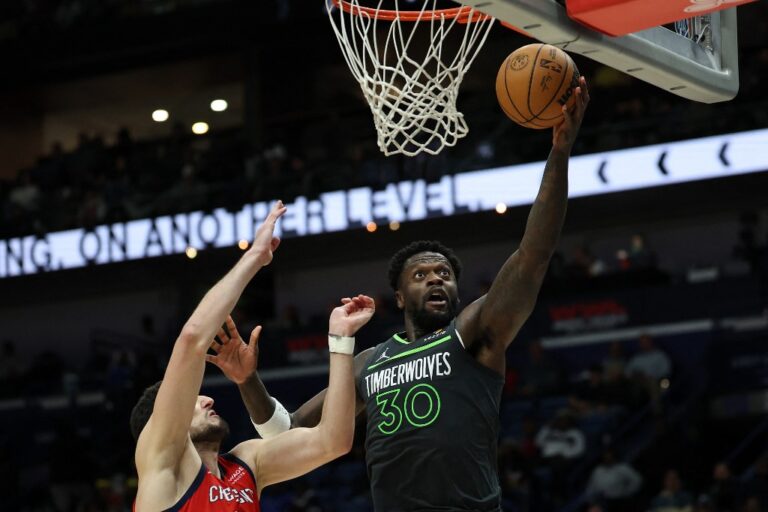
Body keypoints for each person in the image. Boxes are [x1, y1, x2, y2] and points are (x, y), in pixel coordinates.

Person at [221, 78, 591, 511]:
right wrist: (247, 380)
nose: (437, 279)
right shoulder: (368, 363)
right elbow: (286, 433)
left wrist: (560, 152)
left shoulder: (471, 334)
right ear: (399, 296)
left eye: (445, 273)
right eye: (422, 274)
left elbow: (533, 256)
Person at [129, 201, 376, 511]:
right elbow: (192, 339)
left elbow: (333, 441)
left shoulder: (247, 462)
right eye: (194, 400)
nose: (208, 400)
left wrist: (340, 338)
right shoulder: (160, 470)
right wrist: (255, 257)